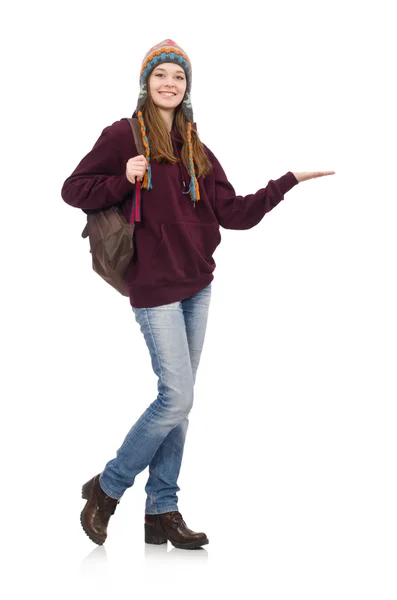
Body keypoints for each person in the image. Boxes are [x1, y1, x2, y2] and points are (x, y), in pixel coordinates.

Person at [61, 39, 335, 550]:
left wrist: (287, 182)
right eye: (161, 74)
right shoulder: (123, 135)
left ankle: (162, 508)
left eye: (179, 77)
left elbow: (235, 214)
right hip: (154, 286)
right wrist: (122, 177)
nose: (170, 83)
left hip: (197, 286)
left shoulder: (196, 147)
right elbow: (73, 189)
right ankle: (107, 487)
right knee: (176, 397)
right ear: (146, 82)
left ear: (187, 87)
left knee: (180, 405)